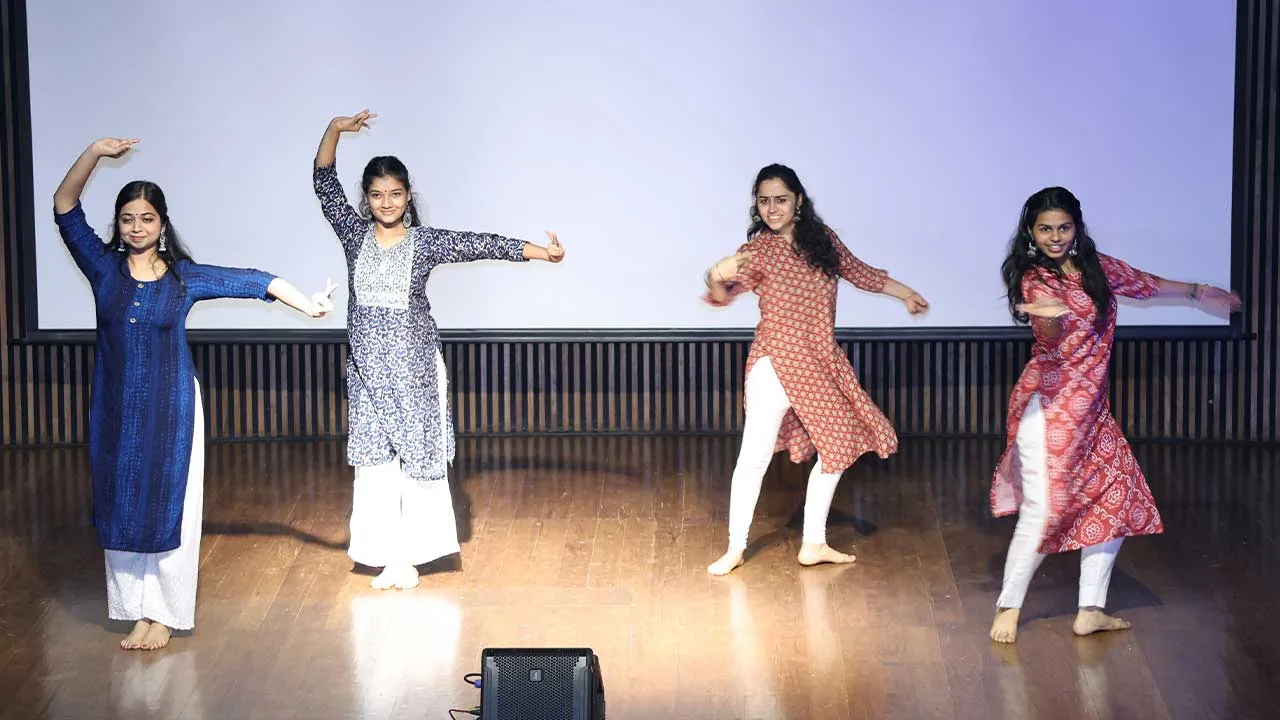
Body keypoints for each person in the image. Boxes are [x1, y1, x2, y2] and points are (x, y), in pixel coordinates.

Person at [53, 137, 336, 651]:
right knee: (120, 505)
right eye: (127, 219)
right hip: (115, 412)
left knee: (166, 505)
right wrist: (94, 151)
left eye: (146, 219)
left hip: (172, 409)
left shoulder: (183, 279)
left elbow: (256, 281)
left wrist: (310, 307)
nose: (136, 228)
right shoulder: (102, 270)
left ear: (163, 225)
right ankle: (134, 610)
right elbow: (65, 205)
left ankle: (163, 614)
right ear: (117, 226)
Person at [312, 110, 566, 590]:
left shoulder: (424, 243)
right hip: (367, 372)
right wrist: (334, 129)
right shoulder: (353, 237)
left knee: (416, 458)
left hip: (413, 370)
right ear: (366, 200)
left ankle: (410, 555)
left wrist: (542, 253)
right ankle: (384, 555)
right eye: (376, 194)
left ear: (407, 197)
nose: (386, 202)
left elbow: (482, 244)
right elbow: (324, 183)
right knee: (375, 464)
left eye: (395, 193)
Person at [989, 186, 1242, 643]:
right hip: (1049, 411)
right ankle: (1008, 607)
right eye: (1045, 229)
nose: (1055, 237)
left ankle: (1091, 609)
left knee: (1117, 498)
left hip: (1093, 414)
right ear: (1031, 231)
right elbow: (1048, 336)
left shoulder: (1097, 268)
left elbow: (1147, 283)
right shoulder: (1035, 279)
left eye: (1063, 227)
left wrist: (1200, 291)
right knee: (1043, 509)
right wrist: (1046, 317)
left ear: (1076, 227)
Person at [702, 163, 929, 576]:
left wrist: (906, 293)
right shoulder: (757, 252)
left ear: (799, 201)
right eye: (765, 201)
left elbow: (861, 273)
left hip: (819, 362)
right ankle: (735, 547)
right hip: (773, 362)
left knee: (839, 446)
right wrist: (715, 274)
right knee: (753, 458)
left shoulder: (823, 242)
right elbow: (723, 291)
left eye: (781, 200)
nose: (772, 209)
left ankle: (813, 541)